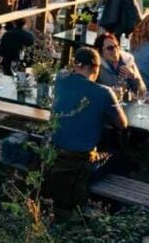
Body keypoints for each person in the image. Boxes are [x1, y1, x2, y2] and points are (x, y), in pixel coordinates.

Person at [44, 47, 128, 209]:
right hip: (81, 161)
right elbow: (122, 124)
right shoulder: (104, 92)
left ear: (76, 65)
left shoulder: (60, 80)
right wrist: (113, 101)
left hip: (54, 153)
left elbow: (64, 74)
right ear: (96, 68)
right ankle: (112, 204)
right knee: (119, 157)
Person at [94, 32, 145, 97]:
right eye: (110, 48)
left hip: (130, 104)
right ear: (100, 52)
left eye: (116, 46)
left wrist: (133, 76)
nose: (115, 50)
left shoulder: (128, 61)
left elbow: (142, 93)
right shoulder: (97, 67)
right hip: (108, 104)